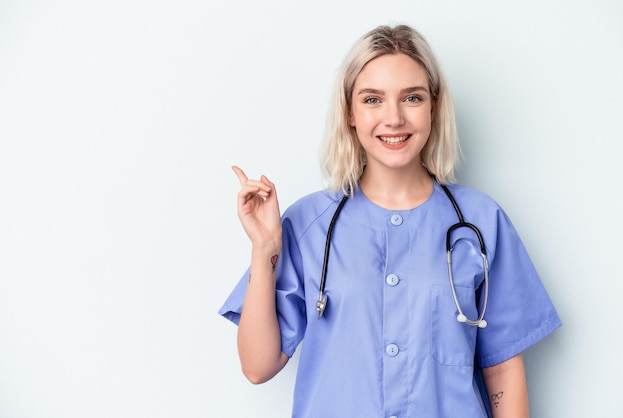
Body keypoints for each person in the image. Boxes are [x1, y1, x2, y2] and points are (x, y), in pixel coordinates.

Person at [219, 24, 561, 418]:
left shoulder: (481, 224)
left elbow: (502, 370)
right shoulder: (308, 224)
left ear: (434, 106)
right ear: (350, 112)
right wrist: (265, 252)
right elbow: (258, 366)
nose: (393, 118)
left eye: (411, 98)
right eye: (372, 100)